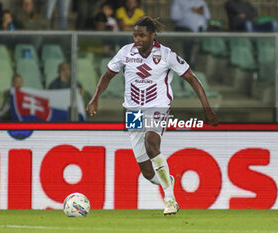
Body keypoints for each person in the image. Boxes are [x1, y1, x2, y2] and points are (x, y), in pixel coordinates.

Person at [86, 16, 218, 215]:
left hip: (158, 107)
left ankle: (170, 199)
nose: (137, 39)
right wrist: (95, 97)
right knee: (147, 173)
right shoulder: (125, 53)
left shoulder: (166, 55)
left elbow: (192, 79)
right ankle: (168, 182)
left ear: (152, 36)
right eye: (135, 35)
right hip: (133, 112)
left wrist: (206, 108)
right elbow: (107, 75)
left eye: (142, 35)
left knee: (152, 143)